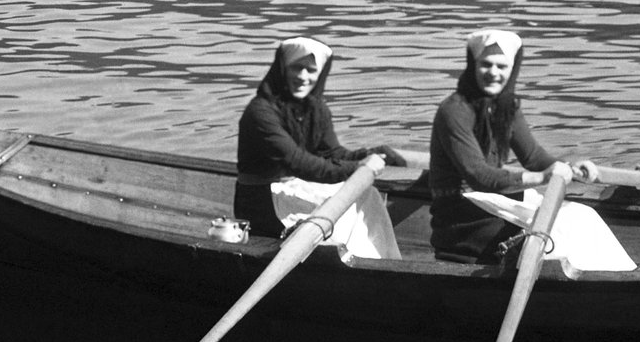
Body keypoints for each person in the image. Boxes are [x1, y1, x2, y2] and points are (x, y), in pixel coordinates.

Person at [234, 35, 405, 244]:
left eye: (311, 70)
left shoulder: (316, 109)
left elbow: (332, 153)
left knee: (369, 195)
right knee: (341, 225)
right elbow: (299, 163)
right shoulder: (260, 113)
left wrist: (368, 154)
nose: (303, 76)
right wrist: (358, 167)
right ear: (283, 69)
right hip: (261, 201)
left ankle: (376, 258)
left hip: (295, 188)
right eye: (296, 68)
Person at [428, 29, 574, 263]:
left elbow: (534, 157)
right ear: (473, 66)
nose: (493, 73)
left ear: (512, 69)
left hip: (491, 201)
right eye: (486, 65)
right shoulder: (454, 110)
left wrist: (571, 168)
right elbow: (480, 176)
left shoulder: (506, 107)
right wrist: (541, 177)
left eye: (502, 66)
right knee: (551, 236)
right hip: (459, 216)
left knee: (579, 218)